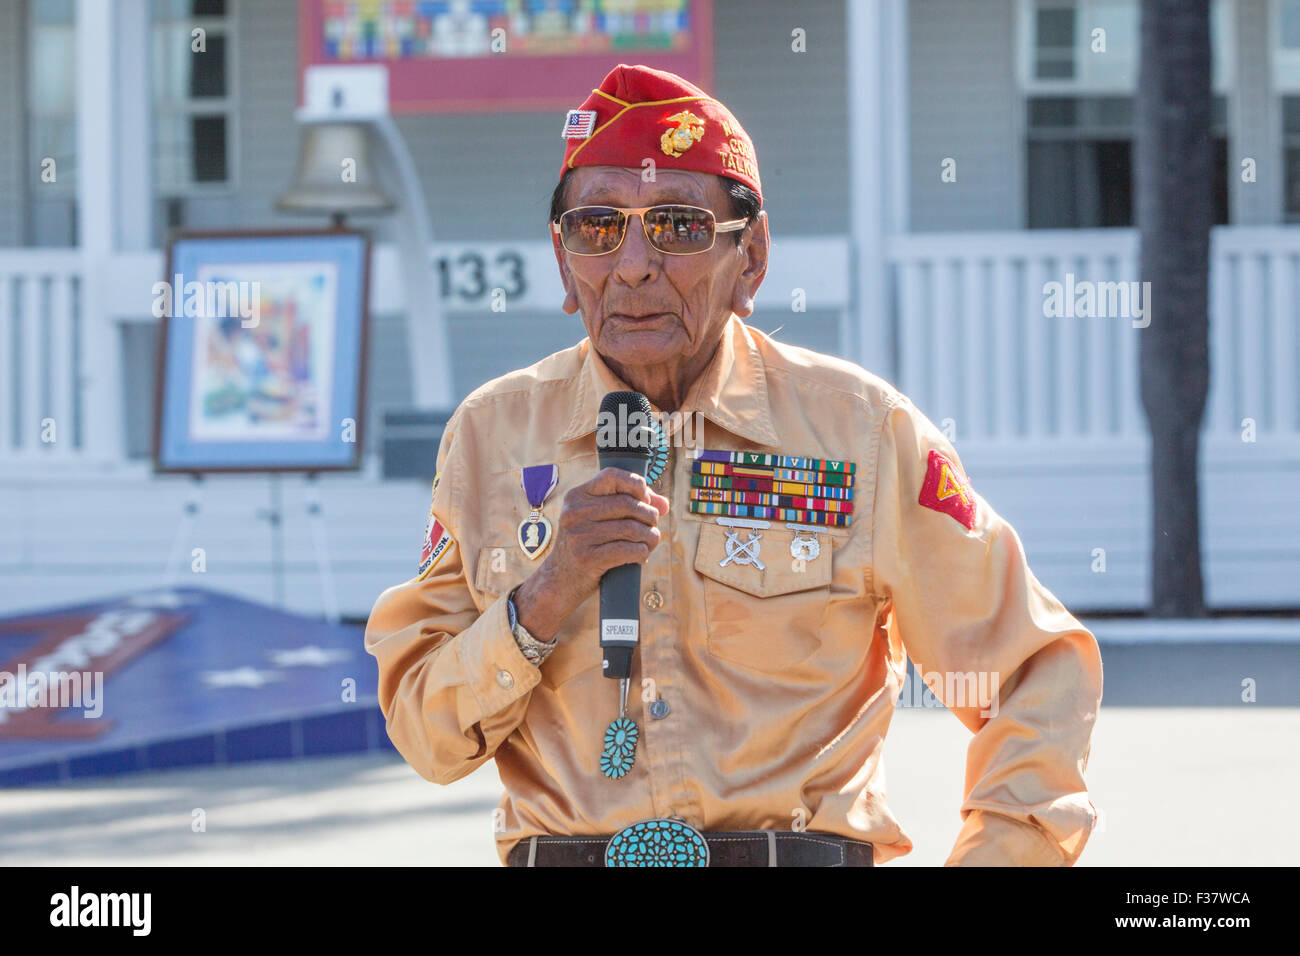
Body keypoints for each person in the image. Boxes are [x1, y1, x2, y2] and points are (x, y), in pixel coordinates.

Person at [364, 63, 1103, 867]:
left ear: (750, 259)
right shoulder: (490, 436)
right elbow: (425, 734)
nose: (635, 264)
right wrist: (543, 597)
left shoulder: (857, 431)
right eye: (598, 227)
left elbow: (1035, 670)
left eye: (679, 227)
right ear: (562, 259)